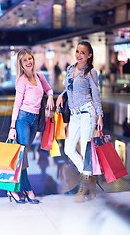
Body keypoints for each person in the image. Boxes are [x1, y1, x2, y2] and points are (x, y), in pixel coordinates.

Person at [56, 41, 103, 202]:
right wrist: (62, 94)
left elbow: (96, 94)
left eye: (83, 52)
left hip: (87, 113)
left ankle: (84, 184)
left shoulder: (91, 72)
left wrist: (100, 115)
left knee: (85, 148)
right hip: (74, 114)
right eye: (77, 51)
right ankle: (89, 178)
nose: (79, 55)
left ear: (89, 55)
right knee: (69, 149)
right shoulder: (70, 69)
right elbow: (70, 87)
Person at [8, 48, 54, 203]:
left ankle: (11, 187)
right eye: (24, 60)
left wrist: (51, 97)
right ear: (20, 64)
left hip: (35, 120)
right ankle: (27, 190)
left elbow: (49, 89)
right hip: (23, 119)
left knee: (23, 156)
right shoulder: (22, 81)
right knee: (23, 157)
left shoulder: (39, 76)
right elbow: (16, 104)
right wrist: (12, 127)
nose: (28, 62)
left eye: (30, 58)